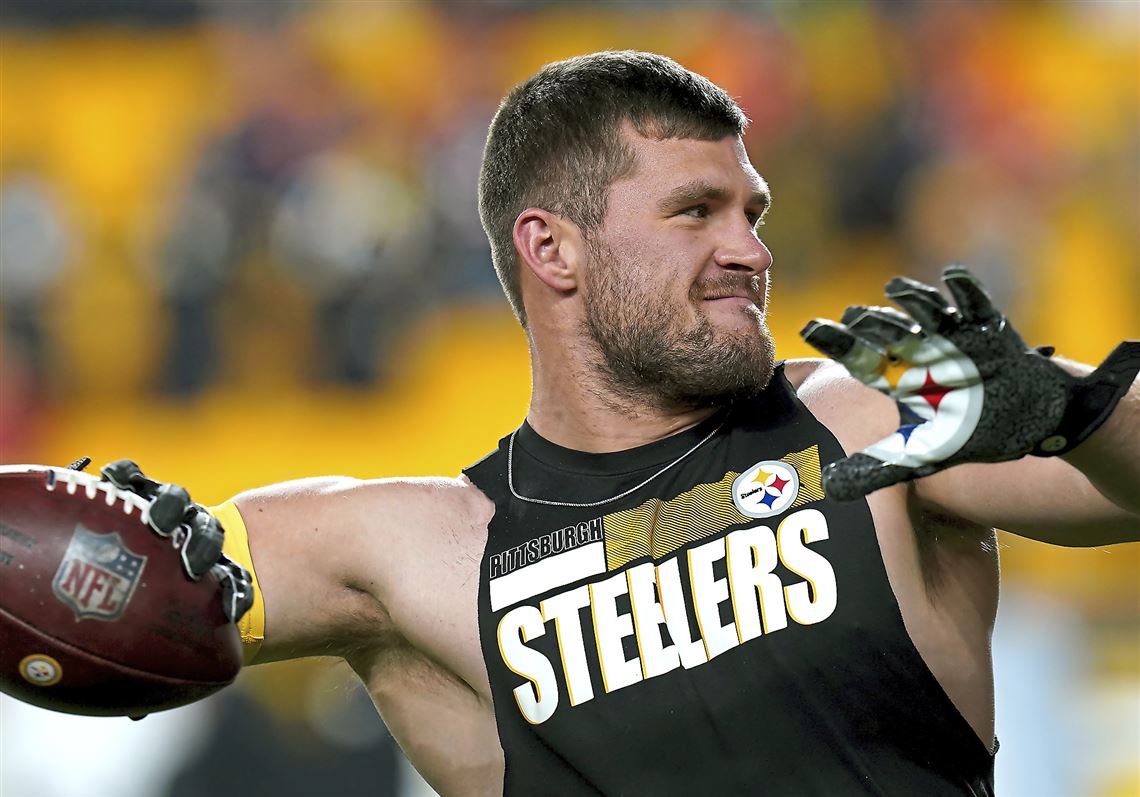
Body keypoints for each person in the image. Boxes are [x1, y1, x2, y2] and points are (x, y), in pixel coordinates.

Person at [94, 52, 1139, 796]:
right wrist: (126, 558)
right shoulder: (420, 549)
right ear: (553, 250)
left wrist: (1074, 412)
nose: (750, 251)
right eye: (696, 212)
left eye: (753, 213)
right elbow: (91, 578)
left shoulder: (864, 418)